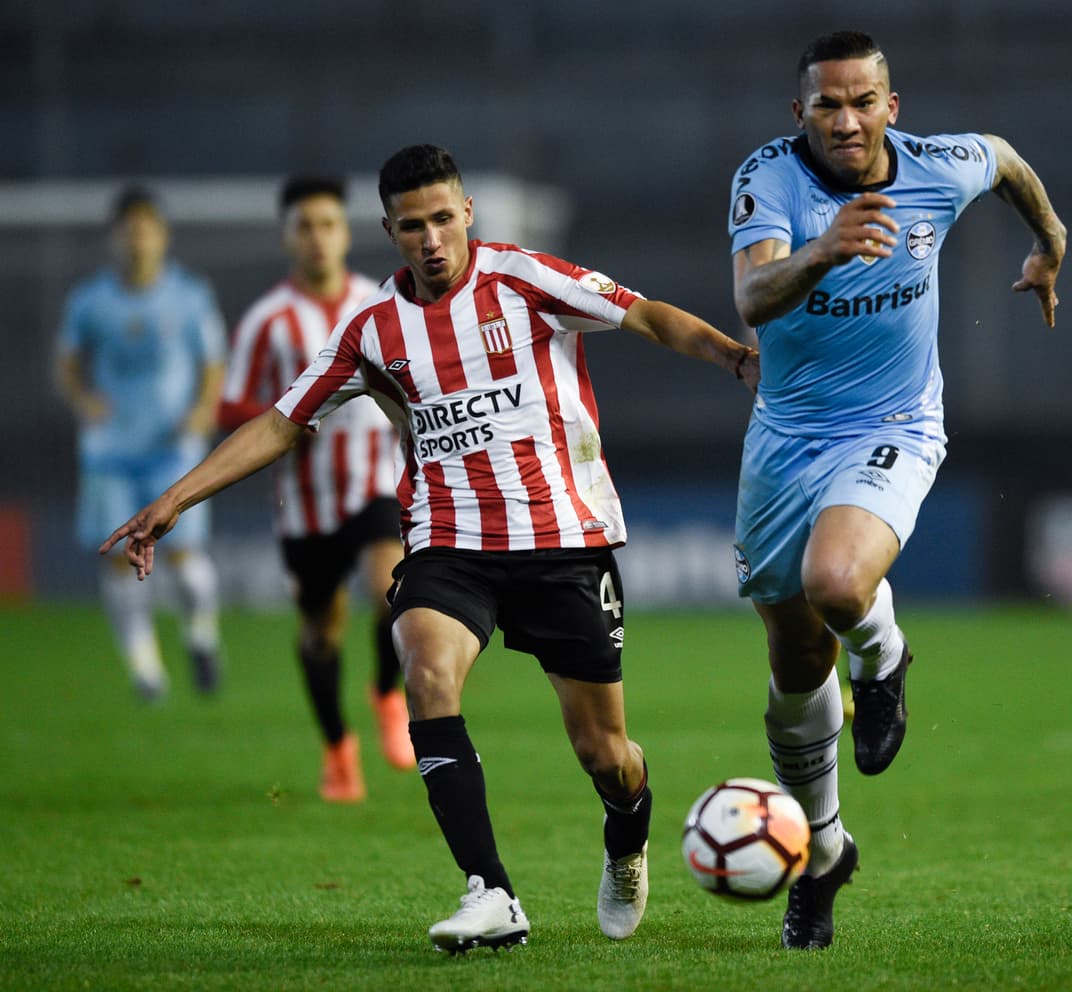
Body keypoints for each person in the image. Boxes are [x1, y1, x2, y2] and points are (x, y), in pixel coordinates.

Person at [101, 143, 760, 951]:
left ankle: (627, 837)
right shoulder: (371, 329)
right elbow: (279, 422)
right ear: (389, 230)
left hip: (563, 542)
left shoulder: (523, 277)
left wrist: (728, 353)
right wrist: (171, 501)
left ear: (468, 215)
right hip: (450, 544)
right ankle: (492, 891)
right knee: (426, 668)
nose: (431, 239)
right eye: (412, 226)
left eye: (444, 219)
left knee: (605, 751)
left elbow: (643, 312)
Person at [728, 31, 1066, 949]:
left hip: (894, 427)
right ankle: (825, 851)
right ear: (798, 114)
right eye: (826, 105)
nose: (846, 119)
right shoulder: (769, 180)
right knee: (795, 662)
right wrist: (825, 252)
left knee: (836, 584)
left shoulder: (934, 168)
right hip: (786, 439)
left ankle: (882, 658)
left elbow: (1002, 157)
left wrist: (1051, 238)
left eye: (862, 100)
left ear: (892, 107)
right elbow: (753, 300)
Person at [219, 176, 415, 803]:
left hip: (377, 482)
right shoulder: (268, 321)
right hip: (306, 502)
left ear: (344, 232)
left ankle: (387, 692)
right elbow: (230, 410)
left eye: (328, 224)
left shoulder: (378, 300)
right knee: (321, 629)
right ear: (287, 237)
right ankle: (337, 748)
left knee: (393, 589)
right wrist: (287, 417)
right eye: (305, 226)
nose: (318, 237)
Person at [56, 186, 227, 702]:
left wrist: (202, 410)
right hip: (110, 451)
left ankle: (201, 635)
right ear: (115, 238)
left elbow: (213, 363)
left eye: (146, 228)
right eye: (128, 229)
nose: (138, 239)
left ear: (162, 235)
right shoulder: (90, 300)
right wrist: (84, 400)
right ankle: (146, 669)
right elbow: (67, 363)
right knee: (117, 561)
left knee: (186, 561)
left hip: (173, 448)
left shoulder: (190, 295)